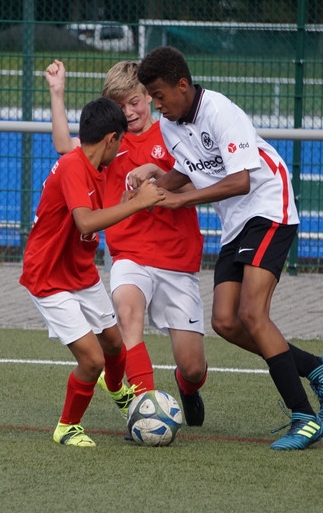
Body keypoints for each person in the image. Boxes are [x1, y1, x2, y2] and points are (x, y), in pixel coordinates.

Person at [133, 46, 323, 451]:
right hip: (237, 222)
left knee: (251, 312)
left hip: (268, 206)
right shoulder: (172, 125)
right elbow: (187, 169)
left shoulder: (221, 112)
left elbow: (241, 181)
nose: (156, 105)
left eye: (159, 95)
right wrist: (156, 187)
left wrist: (178, 200)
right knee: (226, 321)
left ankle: (304, 416)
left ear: (182, 85)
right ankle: (317, 367)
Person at [44, 59, 209, 428]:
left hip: (177, 259)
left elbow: (202, 182)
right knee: (127, 312)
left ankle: (187, 386)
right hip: (129, 256)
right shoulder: (109, 140)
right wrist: (57, 92)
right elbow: (62, 145)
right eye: (119, 105)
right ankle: (144, 407)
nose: (129, 112)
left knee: (193, 366)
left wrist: (158, 174)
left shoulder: (174, 133)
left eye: (134, 101)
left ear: (150, 98)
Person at [20, 96, 164, 447]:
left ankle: (117, 390)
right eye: (122, 140)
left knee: (115, 344)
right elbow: (84, 220)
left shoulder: (96, 167)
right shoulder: (73, 166)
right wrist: (140, 205)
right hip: (49, 277)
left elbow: (94, 216)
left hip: (79, 270)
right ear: (111, 139)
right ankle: (67, 426)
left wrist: (130, 201)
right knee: (93, 359)